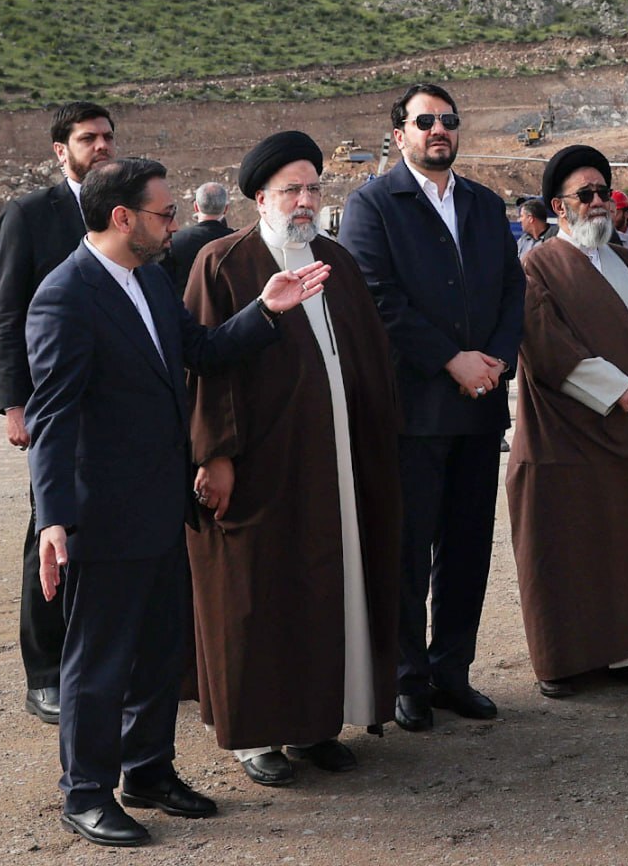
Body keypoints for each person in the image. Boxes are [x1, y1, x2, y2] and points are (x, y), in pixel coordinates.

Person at [25, 158, 327, 847]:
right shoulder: (65, 295)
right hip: (105, 514)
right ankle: (86, 793)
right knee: (99, 663)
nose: (175, 225)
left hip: (163, 506)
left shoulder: (152, 280)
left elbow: (203, 350)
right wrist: (54, 519)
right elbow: (53, 416)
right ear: (122, 217)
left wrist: (265, 310)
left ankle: (148, 772)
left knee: (159, 654)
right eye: (164, 215)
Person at [183, 133, 402, 786]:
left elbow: (367, 357)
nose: (305, 201)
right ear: (260, 198)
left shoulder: (337, 261)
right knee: (256, 596)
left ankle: (315, 725)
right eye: (291, 191)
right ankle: (257, 736)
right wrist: (215, 455)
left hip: (335, 464)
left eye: (313, 188)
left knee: (327, 589)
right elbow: (205, 369)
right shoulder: (223, 263)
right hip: (261, 467)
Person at [338, 83, 525, 733]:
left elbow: (512, 289)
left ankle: (452, 672)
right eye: (425, 122)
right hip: (412, 410)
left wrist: (496, 360)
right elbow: (377, 297)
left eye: (448, 119)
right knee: (407, 550)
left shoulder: (483, 203)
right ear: (399, 135)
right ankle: (406, 678)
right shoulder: (371, 205)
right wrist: (451, 360)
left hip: (480, 406)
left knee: (467, 549)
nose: (439, 129)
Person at [508, 145, 628, 697]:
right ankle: (569, 662)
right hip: (569, 435)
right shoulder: (537, 265)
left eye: (603, 192)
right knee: (573, 548)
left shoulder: (627, 262)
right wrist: (618, 390)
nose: (598, 202)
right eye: (586, 194)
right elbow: (545, 345)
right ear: (559, 207)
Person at [0, 101, 116, 724]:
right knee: (50, 525)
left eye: (108, 137)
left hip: (118, 401)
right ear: (60, 150)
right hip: (54, 404)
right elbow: (7, 311)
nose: (102, 146)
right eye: (89, 138)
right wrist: (15, 404)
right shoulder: (30, 214)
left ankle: (105, 658)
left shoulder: (123, 209)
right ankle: (44, 673)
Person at [161, 181, 232, 296]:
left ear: (196, 206)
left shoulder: (175, 242)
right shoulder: (238, 242)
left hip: (186, 305)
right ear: (226, 208)